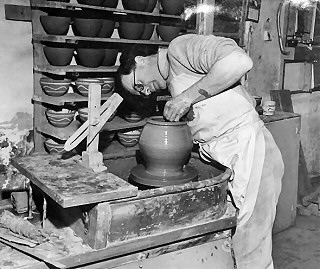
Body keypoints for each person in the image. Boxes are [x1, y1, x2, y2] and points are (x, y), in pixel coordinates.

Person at [115, 34, 284, 269]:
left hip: (248, 147)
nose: (144, 92)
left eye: (137, 84)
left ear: (141, 60)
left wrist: (186, 98)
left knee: (250, 246)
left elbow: (240, 62)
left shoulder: (179, 49)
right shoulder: (174, 82)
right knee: (228, 243)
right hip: (224, 156)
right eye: (140, 92)